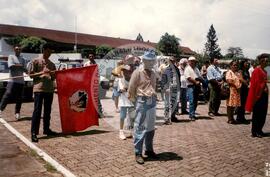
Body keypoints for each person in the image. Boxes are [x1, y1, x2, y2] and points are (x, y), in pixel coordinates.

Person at [128, 49, 158, 164]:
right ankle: (138, 152)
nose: (150, 62)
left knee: (150, 128)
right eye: (148, 60)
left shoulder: (154, 73)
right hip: (142, 101)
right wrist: (135, 102)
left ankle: (149, 150)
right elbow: (131, 88)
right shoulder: (137, 72)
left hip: (152, 101)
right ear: (144, 60)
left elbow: (154, 86)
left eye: (152, 61)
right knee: (140, 127)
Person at [28, 43, 57, 143]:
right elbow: (31, 75)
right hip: (39, 89)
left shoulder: (52, 64)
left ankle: (46, 129)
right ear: (44, 50)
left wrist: (53, 74)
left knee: (48, 110)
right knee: (37, 111)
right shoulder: (36, 61)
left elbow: (53, 78)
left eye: (51, 52)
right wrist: (41, 74)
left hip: (49, 89)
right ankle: (34, 133)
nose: (49, 53)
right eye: (48, 51)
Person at [0, 45, 28, 120]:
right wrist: (20, 66)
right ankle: (0, 110)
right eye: (16, 49)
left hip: (21, 81)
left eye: (19, 49)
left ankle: (17, 113)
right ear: (14, 50)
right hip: (12, 80)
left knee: (19, 98)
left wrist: (18, 66)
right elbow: (11, 67)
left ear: (21, 50)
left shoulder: (23, 59)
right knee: (7, 95)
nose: (18, 50)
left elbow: (25, 70)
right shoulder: (11, 57)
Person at [246, 54, 269, 138]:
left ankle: (260, 129)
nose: (267, 62)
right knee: (257, 114)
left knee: (263, 113)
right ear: (261, 61)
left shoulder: (265, 71)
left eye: (267, 61)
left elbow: (264, 81)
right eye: (265, 61)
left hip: (264, 95)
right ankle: (254, 131)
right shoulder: (256, 70)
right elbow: (255, 83)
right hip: (258, 95)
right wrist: (263, 87)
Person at [118, 55, 136, 140]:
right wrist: (121, 88)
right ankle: (121, 132)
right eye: (129, 59)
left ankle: (131, 132)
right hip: (124, 96)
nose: (131, 61)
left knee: (132, 115)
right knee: (122, 116)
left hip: (132, 96)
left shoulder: (136, 70)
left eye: (132, 59)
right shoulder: (122, 69)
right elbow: (120, 80)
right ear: (125, 60)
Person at [84, 53, 104, 118]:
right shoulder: (86, 64)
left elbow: (98, 73)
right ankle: (88, 113)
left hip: (95, 84)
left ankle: (99, 113)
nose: (91, 57)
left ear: (94, 57)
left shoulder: (96, 64)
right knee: (88, 98)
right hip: (88, 83)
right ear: (88, 57)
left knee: (97, 98)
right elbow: (84, 73)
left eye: (92, 56)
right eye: (90, 56)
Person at [161, 57, 181, 124]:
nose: (172, 62)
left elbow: (179, 79)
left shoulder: (177, 69)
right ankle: (166, 118)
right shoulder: (166, 69)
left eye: (173, 61)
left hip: (175, 89)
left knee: (175, 103)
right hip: (168, 89)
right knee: (167, 104)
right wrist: (164, 88)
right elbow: (163, 80)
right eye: (171, 61)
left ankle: (173, 116)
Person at [184, 56, 202, 121]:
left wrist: (199, 82)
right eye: (191, 61)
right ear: (189, 62)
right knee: (191, 101)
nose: (193, 62)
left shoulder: (196, 69)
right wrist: (195, 82)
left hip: (196, 86)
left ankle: (193, 113)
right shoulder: (187, 69)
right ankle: (191, 115)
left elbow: (199, 76)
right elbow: (188, 78)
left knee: (195, 101)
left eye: (194, 61)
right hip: (191, 86)